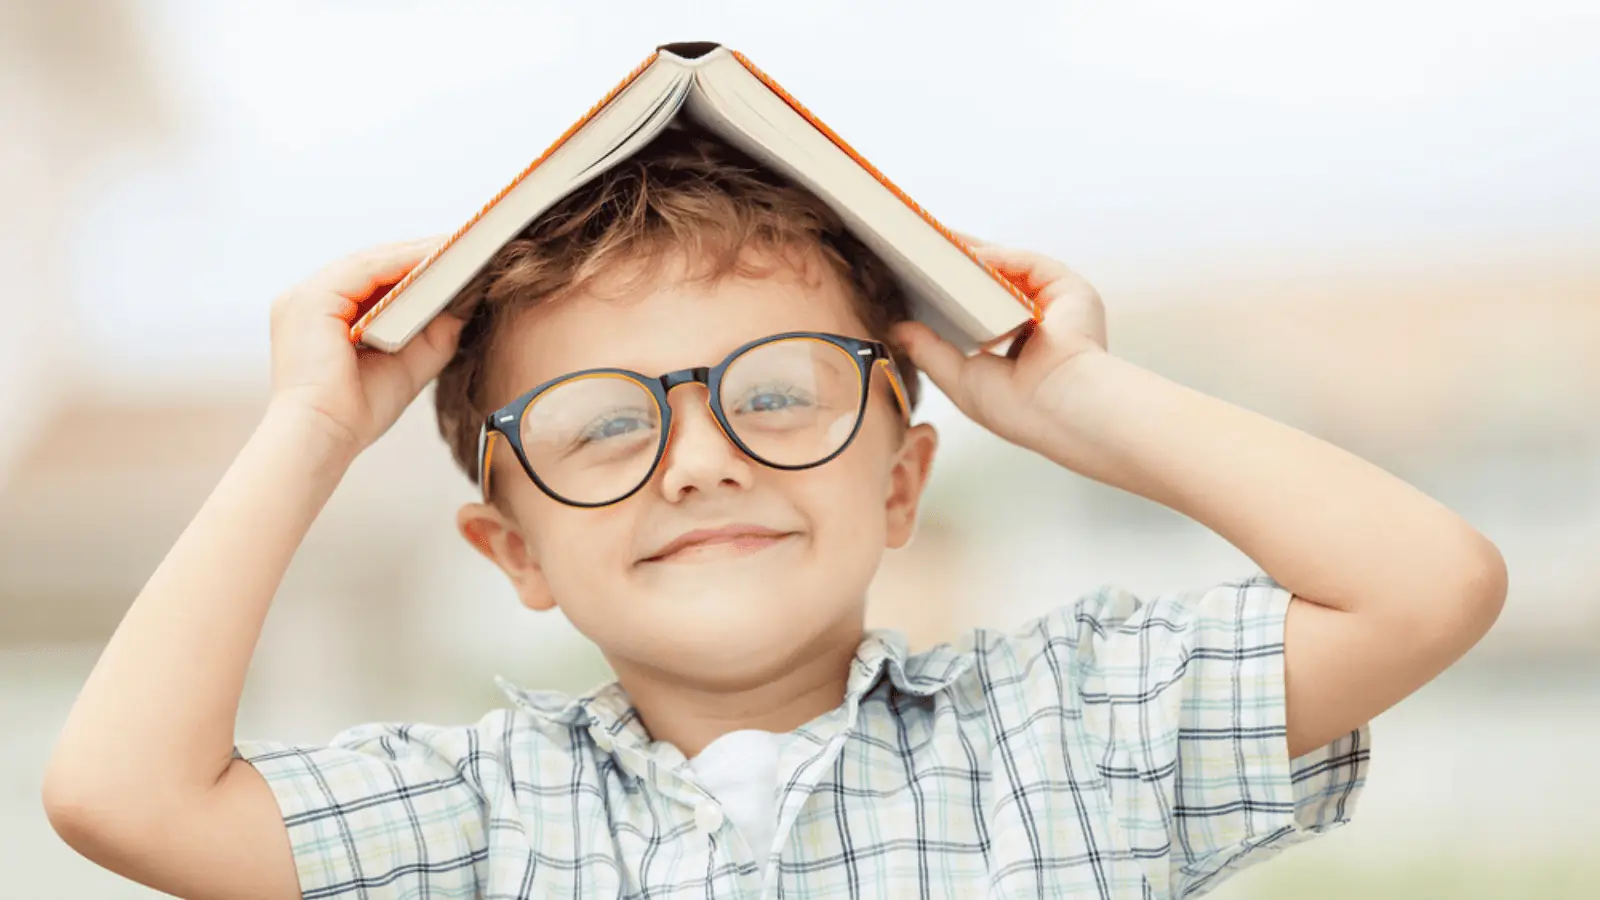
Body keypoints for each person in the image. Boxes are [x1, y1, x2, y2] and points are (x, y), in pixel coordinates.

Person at [42, 128, 1506, 899]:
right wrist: (310, 428)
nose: (699, 461)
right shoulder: (476, 814)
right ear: (515, 555)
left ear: (903, 482)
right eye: (606, 424)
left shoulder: (1072, 731)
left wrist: (1080, 399)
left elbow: (1424, 587)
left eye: (785, 394)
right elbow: (125, 798)